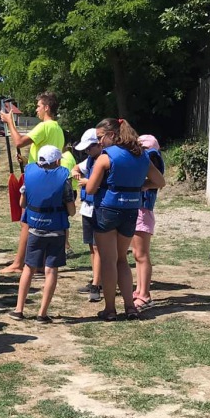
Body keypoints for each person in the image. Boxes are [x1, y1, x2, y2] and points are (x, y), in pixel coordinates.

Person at [81, 119, 166, 321]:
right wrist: (141, 186)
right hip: (131, 210)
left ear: (112, 135)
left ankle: (110, 309)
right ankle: (130, 306)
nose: (100, 142)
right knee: (122, 259)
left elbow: (91, 188)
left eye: (101, 137)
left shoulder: (106, 157)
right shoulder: (141, 155)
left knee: (108, 261)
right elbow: (159, 181)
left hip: (108, 210)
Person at [0, 92, 64, 274]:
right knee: (40, 221)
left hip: (38, 180)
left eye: (38, 106)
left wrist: (9, 122)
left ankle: (19, 263)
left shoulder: (44, 126)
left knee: (27, 220)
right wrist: (29, 159)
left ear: (46, 108)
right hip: (50, 178)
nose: (36, 109)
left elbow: (19, 141)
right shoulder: (57, 128)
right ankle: (40, 262)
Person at [9, 146, 75, 323]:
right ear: (57, 161)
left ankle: (18, 310)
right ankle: (42, 314)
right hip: (57, 230)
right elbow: (72, 211)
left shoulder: (29, 175)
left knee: (29, 268)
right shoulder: (64, 179)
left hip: (35, 229)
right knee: (51, 270)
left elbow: (22, 203)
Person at [132, 135, 165, 311]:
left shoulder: (151, 159)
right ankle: (139, 290)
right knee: (137, 254)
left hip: (143, 212)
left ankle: (145, 295)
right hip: (139, 211)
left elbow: (158, 181)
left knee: (142, 255)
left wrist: (141, 184)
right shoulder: (150, 158)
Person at [71, 129, 105, 301]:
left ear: (98, 144)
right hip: (87, 208)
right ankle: (96, 279)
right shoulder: (91, 159)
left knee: (98, 247)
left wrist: (88, 182)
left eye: (88, 149)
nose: (86, 152)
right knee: (92, 247)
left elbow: (105, 183)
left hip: (99, 207)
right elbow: (76, 167)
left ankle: (97, 284)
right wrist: (75, 170)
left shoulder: (105, 160)